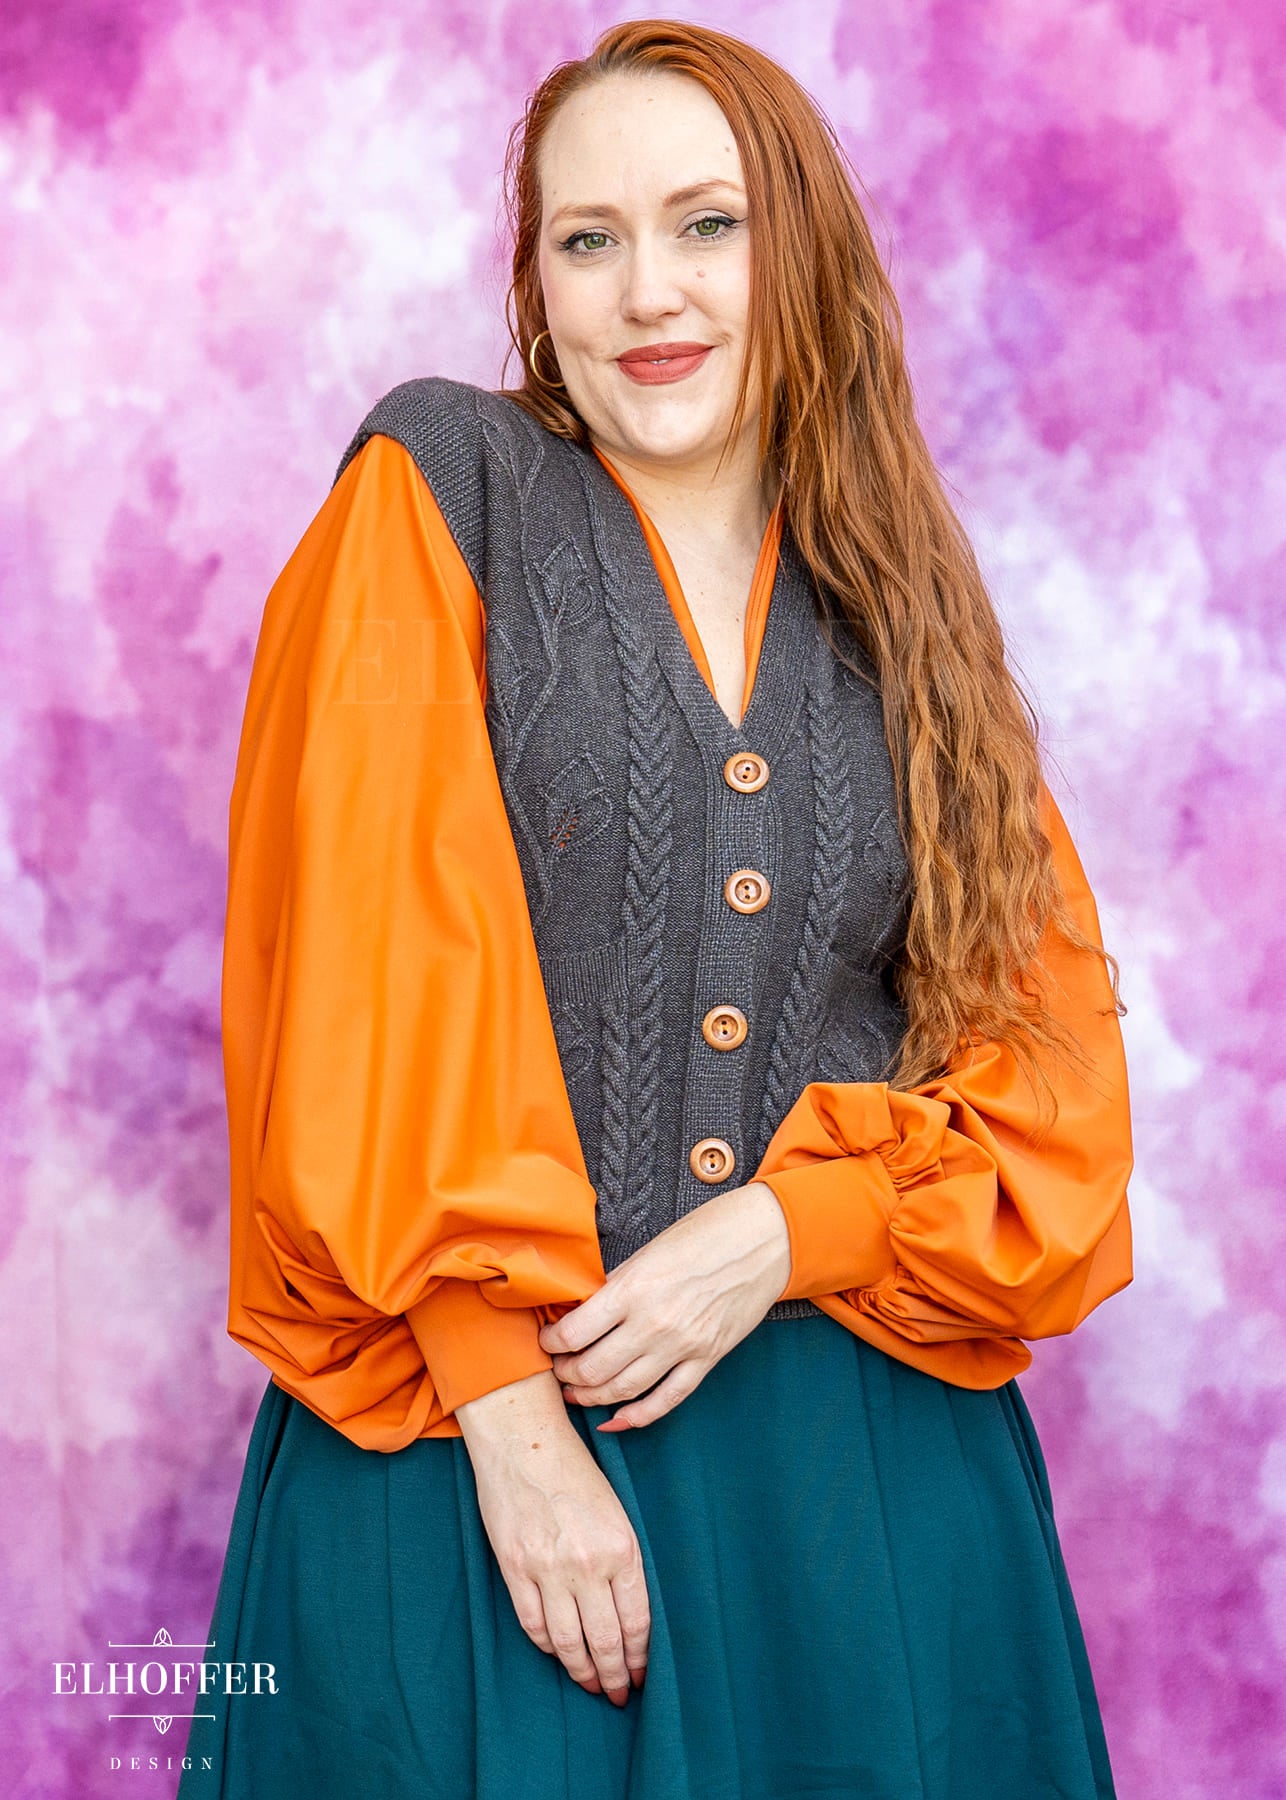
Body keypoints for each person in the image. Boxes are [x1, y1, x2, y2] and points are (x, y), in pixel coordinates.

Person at [177, 19, 1134, 1800]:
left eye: (707, 225)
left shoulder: (903, 601)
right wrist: (515, 1430)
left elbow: (1051, 1083)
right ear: (534, 285)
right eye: (586, 238)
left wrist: (790, 1227)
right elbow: (364, 990)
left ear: (801, 250)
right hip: (467, 1464)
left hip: (857, 1502)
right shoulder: (436, 485)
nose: (647, 292)